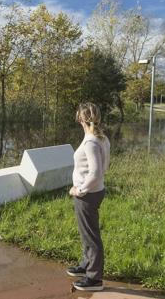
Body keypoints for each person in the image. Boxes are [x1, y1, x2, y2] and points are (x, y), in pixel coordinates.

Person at [66, 102, 111, 291]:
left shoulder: (92, 141)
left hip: (88, 195)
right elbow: (105, 167)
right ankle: (85, 265)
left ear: (81, 119)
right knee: (87, 233)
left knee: (91, 236)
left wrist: (80, 190)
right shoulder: (101, 138)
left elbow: (96, 173)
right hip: (95, 192)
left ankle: (94, 279)